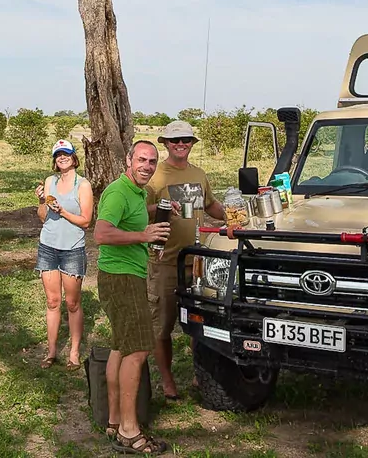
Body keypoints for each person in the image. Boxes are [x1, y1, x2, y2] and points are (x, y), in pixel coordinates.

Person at [94, 140, 171, 455]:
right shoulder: (117, 191)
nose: (147, 166)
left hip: (126, 276)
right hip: (121, 278)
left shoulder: (136, 194)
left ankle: (114, 421)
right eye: (142, 160)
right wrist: (144, 235)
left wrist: (158, 211)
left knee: (120, 348)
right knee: (138, 350)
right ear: (129, 160)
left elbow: (134, 213)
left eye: (152, 162)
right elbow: (100, 233)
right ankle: (129, 430)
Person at [144, 121, 226, 401]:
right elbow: (139, 211)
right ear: (165, 143)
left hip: (201, 261)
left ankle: (198, 372)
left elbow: (211, 204)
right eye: (175, 140)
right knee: (163, 325)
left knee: (201, 321)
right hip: (166, 261)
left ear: (192, 143)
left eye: (187, 140)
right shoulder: (155, 176)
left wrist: (234, 216)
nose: (181, 144)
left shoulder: (199, 174)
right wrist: (163, 208)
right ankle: (167, 381)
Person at [33, 139, 94, 369]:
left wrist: (63, 211)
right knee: (52, 301)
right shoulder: (50, 181)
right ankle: (51, 352)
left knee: (72, 303)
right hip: (48, 245)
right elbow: (42, 216)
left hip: (72, 248)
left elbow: (86, 221)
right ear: (54, 160)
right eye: (58, 155)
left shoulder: (83, 185)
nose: (62, 158)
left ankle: (74, 353)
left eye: (66, 153)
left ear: (74, 157)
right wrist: (42, 201)